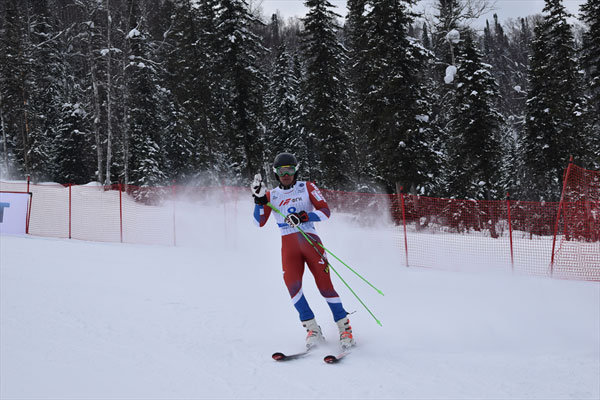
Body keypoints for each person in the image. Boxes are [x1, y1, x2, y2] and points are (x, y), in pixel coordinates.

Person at [251, 152, 355, 350]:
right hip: (289, 246)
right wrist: (258, 200)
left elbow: (325, 212)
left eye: (290, 169)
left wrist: (304, 217)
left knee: (325, 287)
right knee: (293, 287)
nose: (286, 174)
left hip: (310, 242)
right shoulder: (271, 195)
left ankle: (345, 328)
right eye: (282, 171)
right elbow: (258, 222)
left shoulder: (307, 187)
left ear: (296, 170)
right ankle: (312, 329)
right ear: (275, 173)